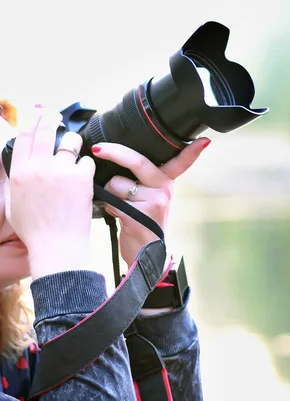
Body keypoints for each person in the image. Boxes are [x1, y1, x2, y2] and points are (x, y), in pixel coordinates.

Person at [0, 100, 210, 400]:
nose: (24, 198)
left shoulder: (20, 349)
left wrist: (151, 283)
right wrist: (63, 259)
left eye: (14, 167)